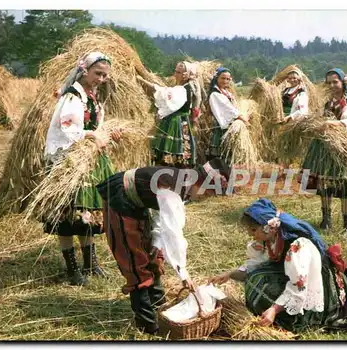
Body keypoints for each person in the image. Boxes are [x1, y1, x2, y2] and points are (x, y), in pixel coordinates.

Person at [96, 157, 231, 334]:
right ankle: (147, 324)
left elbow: (162, 219)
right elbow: (173, 232)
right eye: (207, 193)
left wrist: (157, 244)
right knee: (134, 260)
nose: (204, 198)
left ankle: (159, 306)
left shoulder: (182, 184)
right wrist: (183, 272)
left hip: (138, 202)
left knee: (151, 254)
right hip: (121, 198)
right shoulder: (173, 188)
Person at [208, 198, 347, 333]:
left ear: (269, 227)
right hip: (295, 278)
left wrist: (274, 310)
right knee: (256, 278)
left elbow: (298, 286)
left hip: (314, 289)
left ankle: (305, 316)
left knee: (265, 294)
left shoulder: (296, 246)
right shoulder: (272, 239)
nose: (250, 234)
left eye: (253, 230)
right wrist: (230, 273)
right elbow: (257, 264)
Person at [44, 52, 122, 286]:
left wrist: (107, 133)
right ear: (85, 70)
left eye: (104, 76)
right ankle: (72, 269)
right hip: (69, 160)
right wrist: (92, 135)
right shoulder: (72, 96)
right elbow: (67, 128)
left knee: (86, 214)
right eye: (97, 73)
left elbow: (94, 125)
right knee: (68, 216)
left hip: (88, 159)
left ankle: (91, 264)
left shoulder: (93, 96)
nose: (100, 79)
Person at [300, 68, 347, 235]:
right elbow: (317, 117)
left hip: (342, 148)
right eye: (329, 82)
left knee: (344, 185)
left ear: (342, 82)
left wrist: (332, 124)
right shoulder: (325, 102)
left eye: (335, 81)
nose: (332, 85)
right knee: (324, 184)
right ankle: (326, 219)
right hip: (323, 147)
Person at [151, 61, 201, 168]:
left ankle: (172, 176)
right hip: (181, 121)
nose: (175, 74)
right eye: (175, 71)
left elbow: (168, 96)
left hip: (176, 122)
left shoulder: (184, 89)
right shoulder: (183, 87)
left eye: (178, 72)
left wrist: (154, 87)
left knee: (175, 153)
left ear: (185, 75)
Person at [207, 67, 249, 161]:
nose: (225, 81)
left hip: (230, 126)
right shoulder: (215, 94)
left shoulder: (227, 93)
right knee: (219, 156)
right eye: (222, 78)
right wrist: (241, 117)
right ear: (216, 78)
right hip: (221, 126)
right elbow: (229, 109)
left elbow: (234, 107)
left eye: (228, 79)